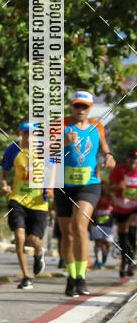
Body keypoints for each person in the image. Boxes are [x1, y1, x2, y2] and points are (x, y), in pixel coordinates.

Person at [55, 91, 115, 297]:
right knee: (67, 234)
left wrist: (108, 156)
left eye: (84, 107)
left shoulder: (97, 126)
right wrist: (62, 142)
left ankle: (81, 276)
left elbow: (104, 147)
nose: (80, 110)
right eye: (76, 106)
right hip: (62, 184)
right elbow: (43, 151)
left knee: (79, 225)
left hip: (89, 184)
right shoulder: (61, 124)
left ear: (90, 108)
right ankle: (71, 277)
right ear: (71, 106)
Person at [0, 121, 52, 290]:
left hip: (39, 202)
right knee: (20, 237)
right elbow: (4, 172)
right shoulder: (13, 149)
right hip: (18, 199)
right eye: (25, 133)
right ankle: (26, 276)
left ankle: (38, 253)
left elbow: (53, 171)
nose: (28, 136)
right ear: (20, 133)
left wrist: (50, 189)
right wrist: (4, 185)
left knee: (34, 240)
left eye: (32, 133)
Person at [109, 148, 137, 277]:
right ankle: (126, 260)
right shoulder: (119, 169)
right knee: (122, 234)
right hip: (121, 207)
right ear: (127, 159)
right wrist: (118, 186)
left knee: (130, 227)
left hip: (134, 207)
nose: (133, 162)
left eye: (135, 160)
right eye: (131, 159)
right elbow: (109, 188)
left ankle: (131, 260)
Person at [91, 183, 113, 269]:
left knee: (108, 243)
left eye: (104, 186)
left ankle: (104, 257)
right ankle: (99, 261)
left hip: (108, 224)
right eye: (101, 186)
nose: (103, 187)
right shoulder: (96, 196)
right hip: (97, 223)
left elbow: (115, 207)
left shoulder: (110, 197)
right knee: (98, 242)